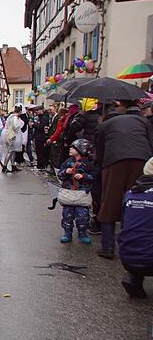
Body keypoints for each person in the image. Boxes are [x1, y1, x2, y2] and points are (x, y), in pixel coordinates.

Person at [94, 100, 153, 259]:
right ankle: (132, 245)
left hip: (114, 161)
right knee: (136, 201)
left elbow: (98, 151)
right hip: (142, 160)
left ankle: (107, 247)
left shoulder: (105, 124)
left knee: (109, 202)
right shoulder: (142, 121)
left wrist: (98, 172)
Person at [117, 157, 153, 298]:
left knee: (141, 232)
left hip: (127, 254)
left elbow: (125, 223)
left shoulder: (131, 193)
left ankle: (134, 279)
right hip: (150, 258)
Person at [57, 139, 95, 244]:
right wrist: (65, 171)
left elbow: (93, 176)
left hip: (82, 194)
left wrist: (83, 176)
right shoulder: (68, 162)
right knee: (67, 215)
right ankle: (67, 232)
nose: (70, 149)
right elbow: (60, 174)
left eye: (73, 147)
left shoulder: (88, 164)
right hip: (69, 193)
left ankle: (82, 233)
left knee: (83, 216)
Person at [0, 105, 25, 173]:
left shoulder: (11, 116)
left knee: (13, 151)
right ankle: (5, 167)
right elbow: (15, 127)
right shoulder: (14, 118)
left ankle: (13, 165)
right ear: (19, 112)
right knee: (10, 151)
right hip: (12, 136)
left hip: (10, 135)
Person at [32, 106, 50, 170]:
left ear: (41, 110)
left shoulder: (44, 118)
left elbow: (42, 126)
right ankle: (39, 165)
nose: (36, 112)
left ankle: (41, 166)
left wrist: (34, 125)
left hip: (41, 137)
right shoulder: (40, 117)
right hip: (38, 137)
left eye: (37, 110)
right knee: (38, 152)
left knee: (41, 152)